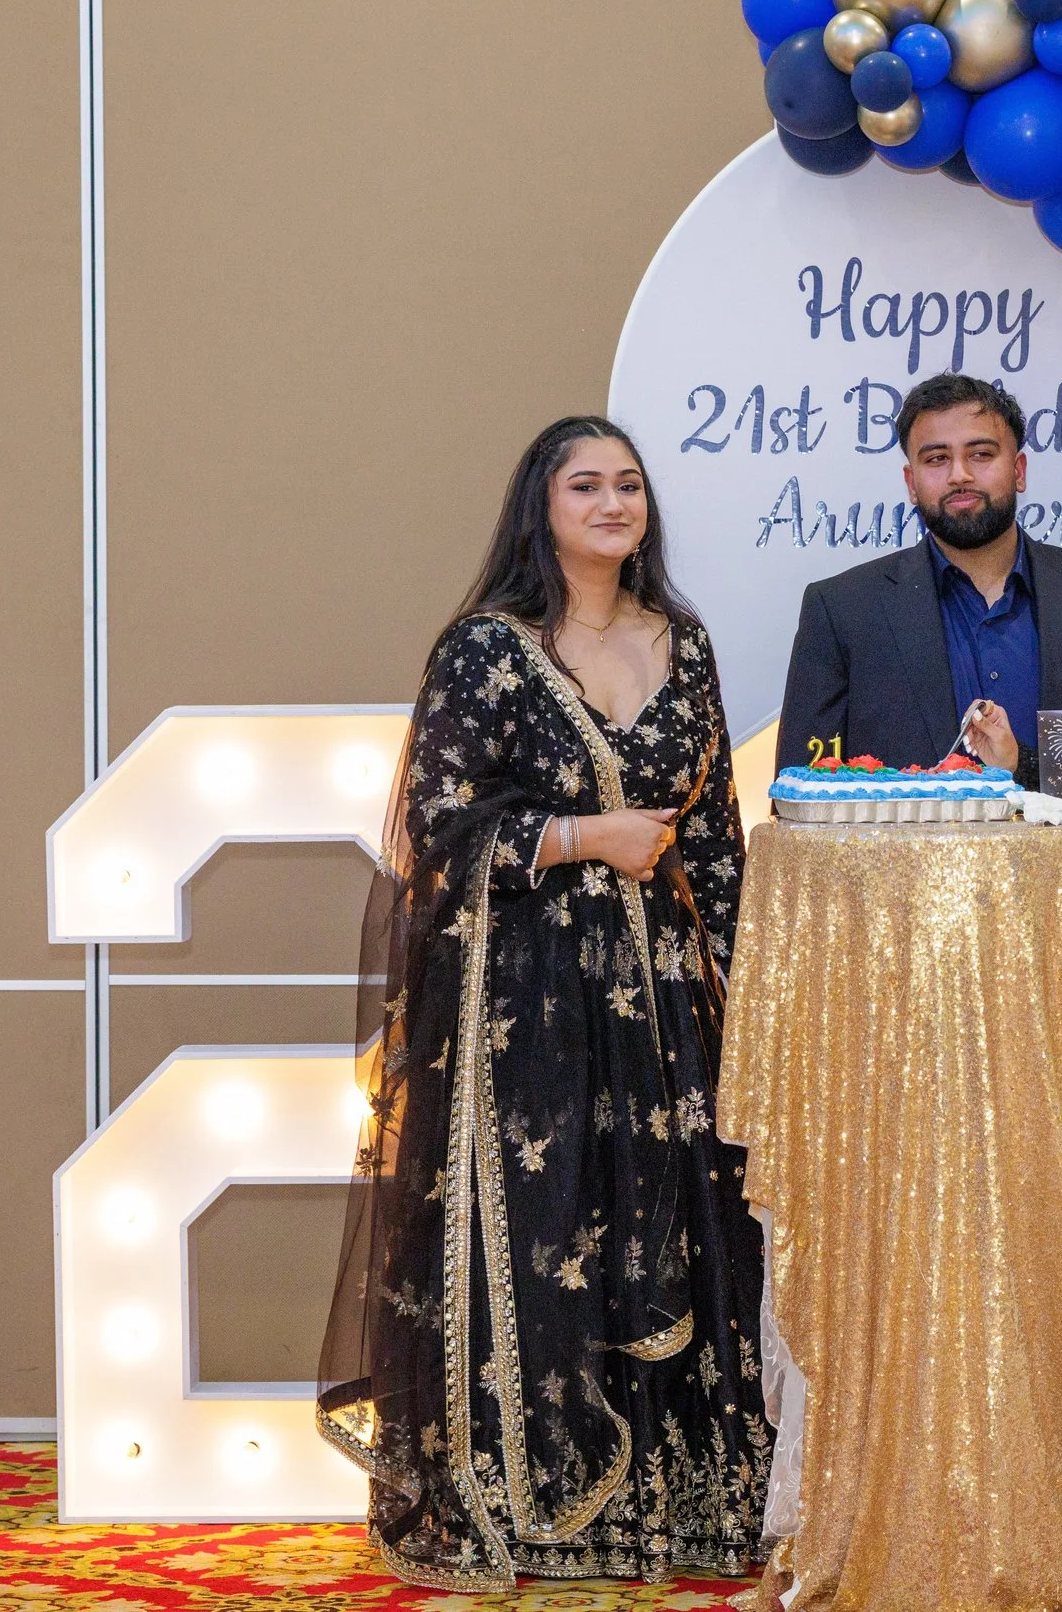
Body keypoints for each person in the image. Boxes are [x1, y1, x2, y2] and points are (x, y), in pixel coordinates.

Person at [318, 416, 770, 1590]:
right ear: (543, 504)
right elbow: (439, 825)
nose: (614, 502)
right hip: (531, 999)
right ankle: (523, 1502)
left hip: (666, 1001)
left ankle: (675, 1509)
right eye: (587, 484)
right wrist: (582, 837)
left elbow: (713, 835)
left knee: (670, 1224)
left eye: (628, 484)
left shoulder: (688, 640)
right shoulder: (488, 649)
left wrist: (756, 986)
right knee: (548, 1233)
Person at [774, 372, 1062, 786]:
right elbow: (799, 793)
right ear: (911, 484)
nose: (959, 475)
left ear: (1019, 470)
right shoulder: (843, 611)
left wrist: (1027, 765)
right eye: (936, 459)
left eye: (981, 454)